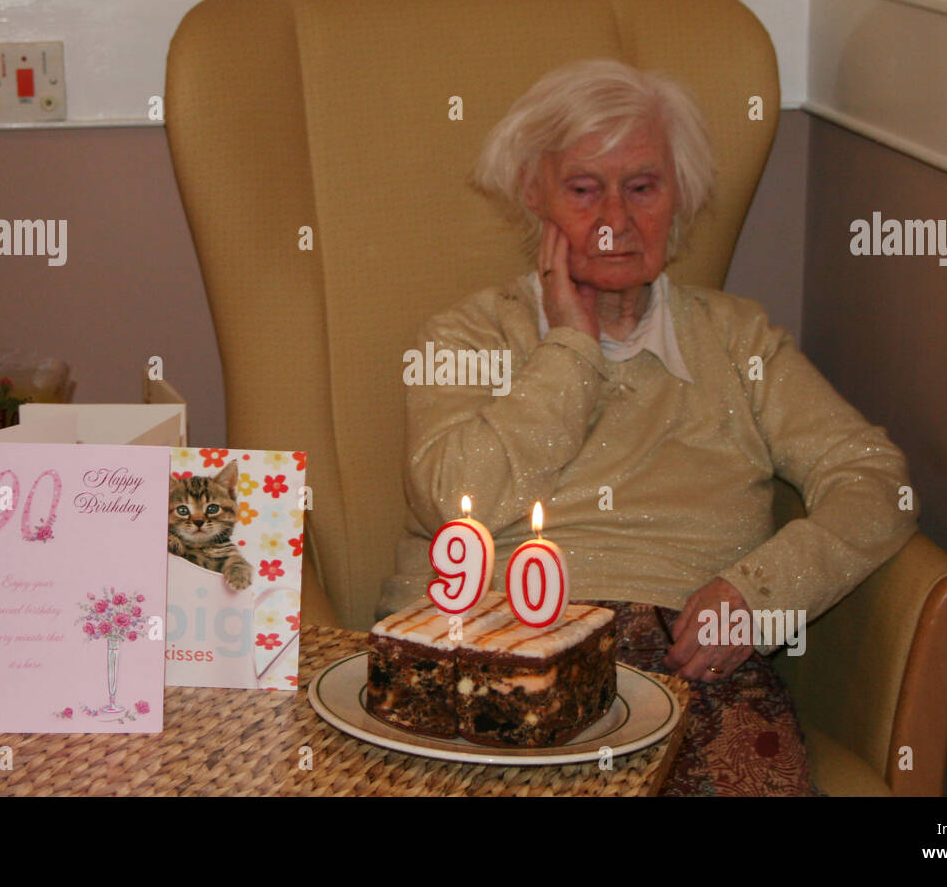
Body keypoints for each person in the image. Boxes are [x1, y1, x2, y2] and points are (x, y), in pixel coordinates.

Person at [381, 59, 919, 795]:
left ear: (682, 197)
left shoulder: (738, 339)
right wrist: (571, 350)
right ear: (533, 198)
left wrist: (758, 597)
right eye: (582, 189)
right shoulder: (467, 339)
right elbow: (452, 497)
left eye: (642, 187)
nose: (613, 220)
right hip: (490, 649)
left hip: (689, 667)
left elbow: (873, 480)